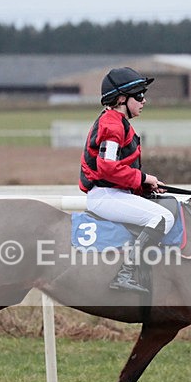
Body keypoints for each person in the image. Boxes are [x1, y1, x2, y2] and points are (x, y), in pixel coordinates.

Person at [79, 67, 175, 294]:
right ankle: (126, 273)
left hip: (113, 193)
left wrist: (143, 185)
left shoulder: (116, 121)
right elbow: (107, 167)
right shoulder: (112, 125)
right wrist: (143, 177)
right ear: (122, 99)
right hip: (105, 196)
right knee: (163, 217)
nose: (144, 101)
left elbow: (116, 168)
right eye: (139, 95)